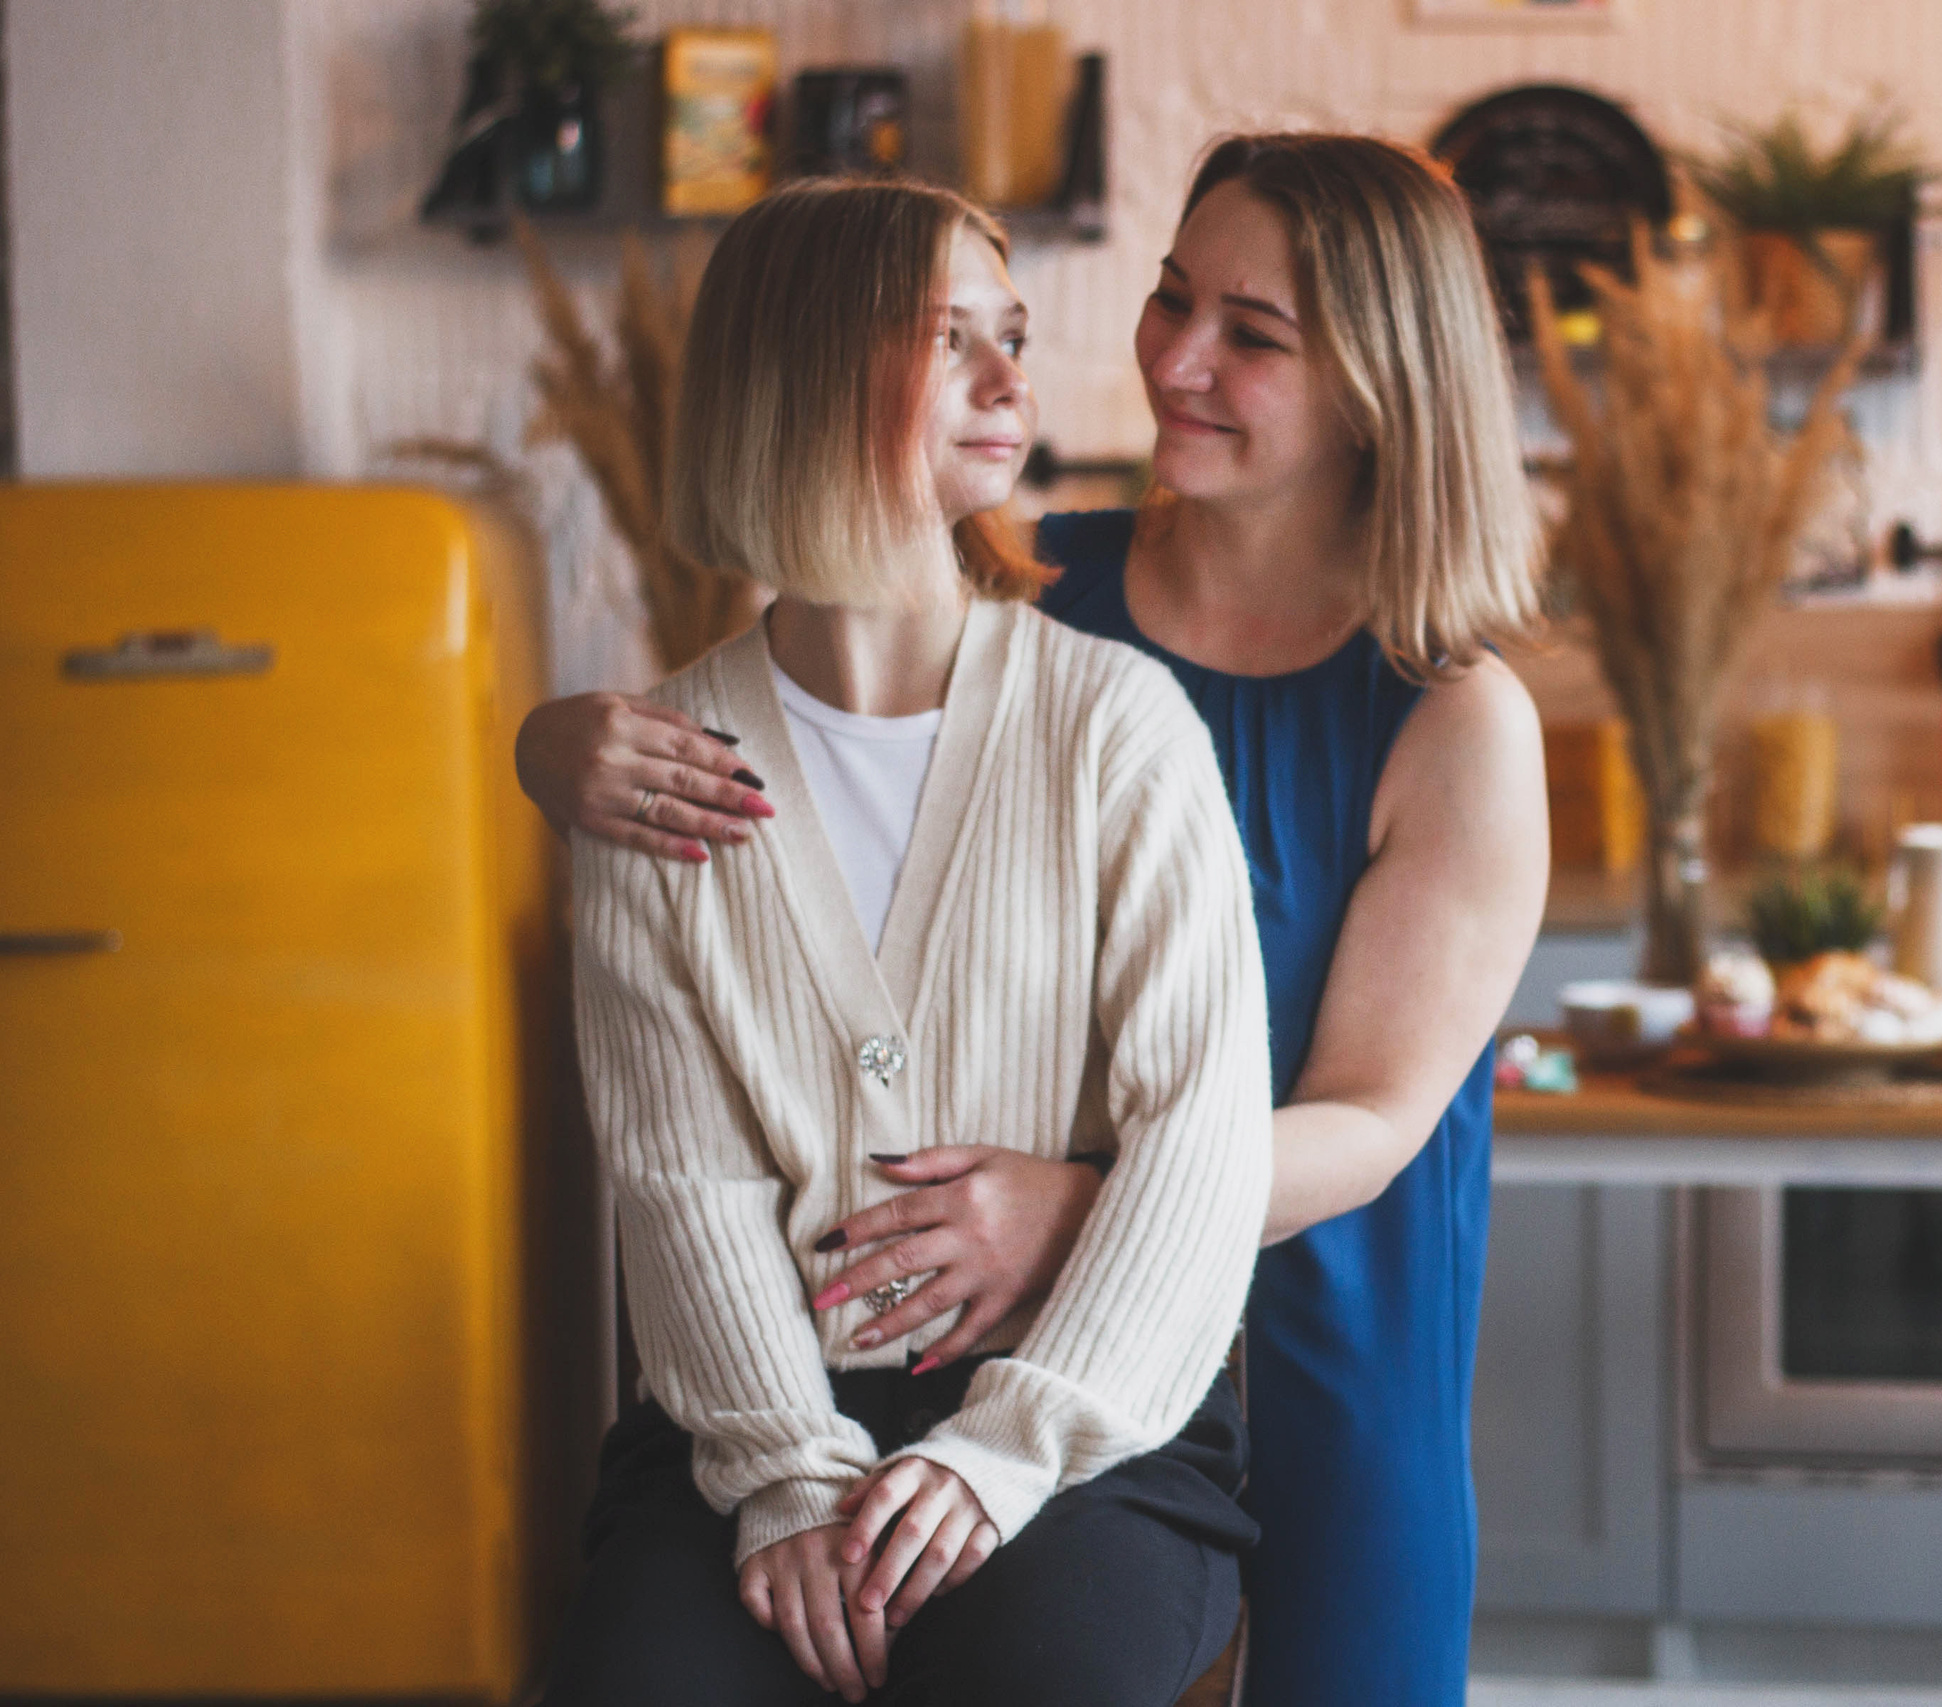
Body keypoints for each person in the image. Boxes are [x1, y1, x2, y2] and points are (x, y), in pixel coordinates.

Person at [519, 133, 1548, 1706]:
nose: (1172, 363)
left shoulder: (1452, 717)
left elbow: (1373, 1116)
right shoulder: (1021, 589)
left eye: (1251, 336)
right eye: (1168, 298)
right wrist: (550, 748)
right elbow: (805, 733)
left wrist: (1083, 1204)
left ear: (1378, 388)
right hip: (945, 1323)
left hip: (1316, 1314)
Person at [543, 177, 1272, 1707]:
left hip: (1089, 1416)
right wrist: (790, 1477)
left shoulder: (1112, 727)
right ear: (805, 368)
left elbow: (1202, 1137)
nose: (1016, 383)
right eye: (953, 342)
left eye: (1013, 336)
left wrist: (1009, 1450)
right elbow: (678, 1181)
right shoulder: (650, 768)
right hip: (740, 1426)